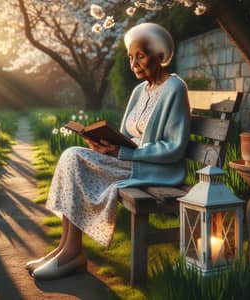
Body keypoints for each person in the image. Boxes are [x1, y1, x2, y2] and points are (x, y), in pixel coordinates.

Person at [26, 22, 191, 280]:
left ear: (160, 56)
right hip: (128, 159)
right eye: (130, 57)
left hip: (156, 169)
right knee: (73, 156)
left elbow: (174, 147)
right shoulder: (140, 90)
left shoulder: (175, 88)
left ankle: (72, 253)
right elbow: (127, 135)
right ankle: (64, 249)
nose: (134, 63)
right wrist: (105, 145)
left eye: (141, 55)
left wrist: (124, 153)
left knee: (73, 157)